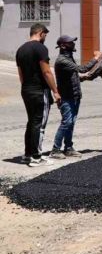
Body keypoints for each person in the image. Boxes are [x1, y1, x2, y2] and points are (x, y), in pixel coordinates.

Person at [15, 23, 61, 167]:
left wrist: (26, 88)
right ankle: (36, 157)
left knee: (32, 122)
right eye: (45, 35)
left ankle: (28, 154)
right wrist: (55, 91)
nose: (45, 38)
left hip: (27, 90)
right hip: (39, 91)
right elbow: (46, 72)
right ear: (41, 33)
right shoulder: (40, 48)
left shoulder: (20, 49)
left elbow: (21, 75)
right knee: (39, 124)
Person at [50, 35, 102, 159]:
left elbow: (73, 76)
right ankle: (55, 150)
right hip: (66, 97)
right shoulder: (62, 60)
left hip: (75, 96)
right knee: (66, 122)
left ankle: (68, 148)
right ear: (63, 45)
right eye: (70, 43)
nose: (73, 44)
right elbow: (82, 69)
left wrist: (84, 78)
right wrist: (96, 58)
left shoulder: (69, 58)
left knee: (71, 123)